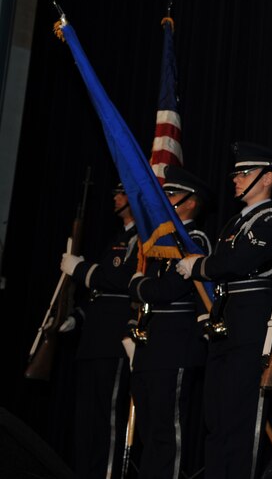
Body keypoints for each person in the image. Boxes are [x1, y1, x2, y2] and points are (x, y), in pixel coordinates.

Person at [175, 142, 272, 479]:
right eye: (236, 174)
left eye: (245, 173)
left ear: (267, 178)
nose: (236, 179)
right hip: (224, 321)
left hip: (250, 322)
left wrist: (200, 267)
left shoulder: (271, 218)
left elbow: (240, 261)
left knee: (240, 418)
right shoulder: (235, 222)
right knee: (216, 418)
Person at [128, 166, 214, 479]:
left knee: (166, 431)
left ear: (191, 202)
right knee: (148, 429)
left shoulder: (194, 240)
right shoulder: (161, 241)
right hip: (151, 345)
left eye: (172, 194)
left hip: (175, 346)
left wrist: (138, 285)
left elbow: (167, 290)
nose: (164, 200)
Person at [59, 182, 140, 479]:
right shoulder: (118, 237)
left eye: (122, 193)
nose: (116, 198)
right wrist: (78, 317)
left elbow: (121, 280)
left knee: (107, 417)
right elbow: (100, 294)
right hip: (93, 337)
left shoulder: (141, 239)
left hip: (114, 339)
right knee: (86, 418)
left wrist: (81, 270)